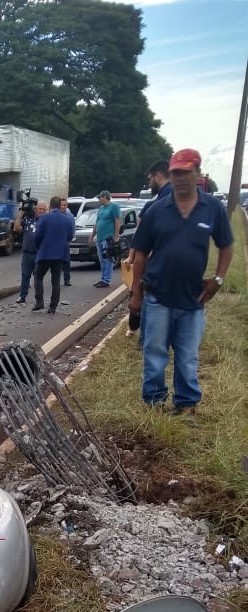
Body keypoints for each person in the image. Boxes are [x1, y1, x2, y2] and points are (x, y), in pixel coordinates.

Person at [129, 148, 233, 416]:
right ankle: (154, 404)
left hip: (192, 299)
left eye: (186, 172)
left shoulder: (213, 209)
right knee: (154, 354)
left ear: (197, 173)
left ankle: (186, 404)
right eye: (176, 173)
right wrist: (136, 294)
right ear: (170, 175)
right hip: (157, 296)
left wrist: (219, 278)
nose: (181, 178)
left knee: (187, 357)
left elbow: (226, 245)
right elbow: (140, 256)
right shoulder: (156, 210)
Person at [126, 159, 172, 347]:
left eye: (150, 178)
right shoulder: (183, 199)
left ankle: (146, 340)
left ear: (158, 175)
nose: (149, 182)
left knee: (150, 305)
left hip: (156, 267)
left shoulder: (156, 205)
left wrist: (136, 288)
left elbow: (142, 242)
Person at [31, 195, 75, 315]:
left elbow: (37, 236)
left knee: (38, 276)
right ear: (59, 205)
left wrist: (39, 247)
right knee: (56, 281)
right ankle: (53, 307)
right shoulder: (67, 219)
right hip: (60, 254)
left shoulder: (44, 219)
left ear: (50, 206)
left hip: (45, 253)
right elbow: (70, 235)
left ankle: (39, 301)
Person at [12, 199, 47, 303]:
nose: (41, 211)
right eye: (40, 209)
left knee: (38, 277)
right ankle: (22, 296)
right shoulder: (28, 219)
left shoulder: (46, 221)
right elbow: (17, 228)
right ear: (35, 209)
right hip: (27, 253)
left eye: (44, 209)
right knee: (25, 275)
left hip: (39, 253)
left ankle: (39, 299)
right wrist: (21, 213)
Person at [89, 190, 121, 287]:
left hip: (108, 237)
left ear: (105, 197)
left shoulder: (114, 207)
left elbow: (117, 221)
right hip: (100, 237)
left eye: (100, 197)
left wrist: (115, 235)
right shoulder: (101, 208)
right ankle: (103, 278)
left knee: (107, 259)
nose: (99, 199)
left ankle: (106, 280)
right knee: (101, 259)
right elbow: (97, 223)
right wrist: (92, 236)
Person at [59, 197, 73, 286]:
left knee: (66, 262)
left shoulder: (70, 216)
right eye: (61, 205)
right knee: (57, 262)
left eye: (64, 205)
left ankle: (67, 280)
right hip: (56, 242)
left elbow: (72, 229)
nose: (63, 207)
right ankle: (56, 279)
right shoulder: (56, 215)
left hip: (65, 241)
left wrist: (69, 239)